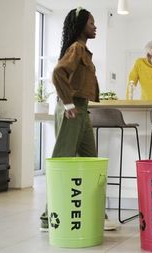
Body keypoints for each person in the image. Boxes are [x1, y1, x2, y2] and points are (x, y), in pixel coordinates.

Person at [40, 7, 116, 232]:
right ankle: (48, 218)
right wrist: (69, 104)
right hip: (71, 110)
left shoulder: (83, 50)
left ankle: (97, 214)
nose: (95, 26)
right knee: (62, 162)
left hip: (82, 111)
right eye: (91, 22)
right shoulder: (76, 48)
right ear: (80, 25)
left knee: (92, 163)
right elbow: (58, 73)